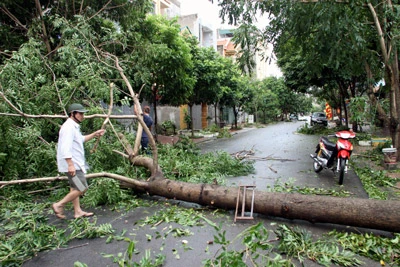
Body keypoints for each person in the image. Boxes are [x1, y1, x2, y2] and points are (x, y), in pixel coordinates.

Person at [52, 103, 106, 219]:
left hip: (75, 163)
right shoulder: (68, 127)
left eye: (83, 113)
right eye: (80, 113)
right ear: (73, 114)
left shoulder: (74, 127)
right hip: (73, 165)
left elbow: (81, 139)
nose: (83, 116)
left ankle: (78, 211)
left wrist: (95, 134)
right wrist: (70, 164)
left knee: (74, 187)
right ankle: (59, 205)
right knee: (82, 187)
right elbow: (65, 148)